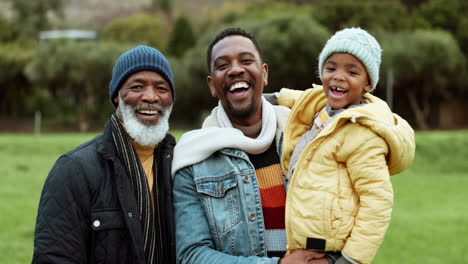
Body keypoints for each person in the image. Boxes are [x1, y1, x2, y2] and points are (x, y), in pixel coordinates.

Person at [171, 27, 326, 264]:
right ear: (212, 85)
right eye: (223, 65)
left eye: (246, 60)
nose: (235, 69)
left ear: (264, 73)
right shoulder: (191, 159)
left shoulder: (309, 138)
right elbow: (192, 254)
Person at [277, 28, 415, 264]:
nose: (338, 76)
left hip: (329, 252)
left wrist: (350, 260)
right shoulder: (320, 104)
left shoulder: (362, 132)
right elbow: (298, 98)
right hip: (298, 245)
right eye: (331, 68)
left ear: (367, 84)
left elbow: (377, 202)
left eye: (352, 71)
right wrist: (265, 98)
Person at [32, 45, 177, 264]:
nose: (150, 96)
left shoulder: (183, 165)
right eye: (137, 86)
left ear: (171, 100)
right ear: (118, 95)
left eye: (162, 88)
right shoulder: (74, 170)